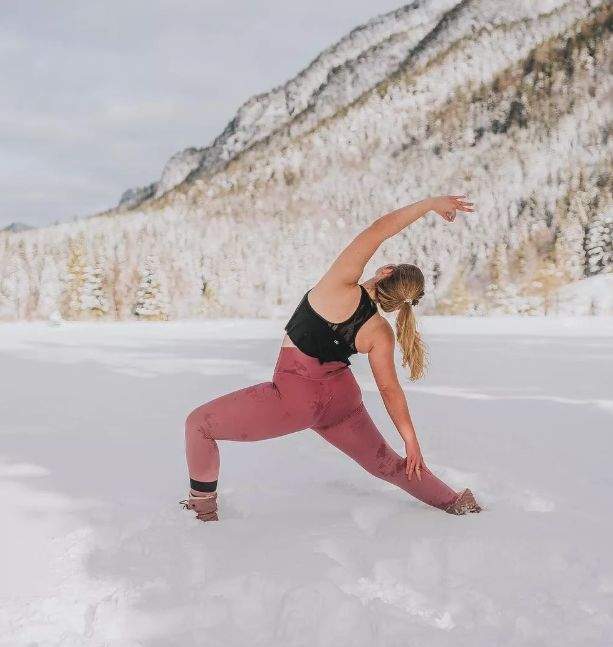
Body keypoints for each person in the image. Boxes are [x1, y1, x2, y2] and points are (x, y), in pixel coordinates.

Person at [181, 195, 482, 522]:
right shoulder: (380, 332)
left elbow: (379, 230)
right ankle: (455, 503)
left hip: (294, 399)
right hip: (341, 402)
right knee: (388, 465)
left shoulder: (339, 286)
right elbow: (390, 390)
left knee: (198, 425)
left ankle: (202, 512)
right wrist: (411, 441)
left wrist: (429, 204)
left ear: (385, 271)